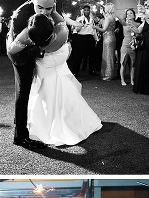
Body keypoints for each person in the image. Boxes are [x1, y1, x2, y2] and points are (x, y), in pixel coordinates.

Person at [12, 14, 101, 147]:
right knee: (64, 101)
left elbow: (13, 50)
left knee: (53, 102)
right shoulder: (59, 31)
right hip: (59, 69)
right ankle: (69, 122)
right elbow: (12, 50)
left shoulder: (51, 35)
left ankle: (57, 124)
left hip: (53, 70)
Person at [6, 0, 69, 150]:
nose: (44, 12)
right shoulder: (21, 16)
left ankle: (21, 119)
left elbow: (59, 24)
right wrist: (38, 51)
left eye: (49, 9)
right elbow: (13, 50)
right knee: (23, 90)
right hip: (20, 54)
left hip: (34, 49)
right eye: (40, 7)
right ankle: (20, 137)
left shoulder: (52, 8)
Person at [118, 9, 142, 86]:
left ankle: (132, 80)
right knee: (123, 63)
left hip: (133, 45)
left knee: (133, 63)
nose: (129, 15)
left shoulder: (138, 24)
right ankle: (122, 80)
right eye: (127, 13)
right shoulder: (124, 23)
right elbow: (118, 17)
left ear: (134, 15)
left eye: (131, 13)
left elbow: (139, 33)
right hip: (125, 44)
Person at [95, 2, 117, 80]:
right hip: (112, 36)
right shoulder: (112, 16)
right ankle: (107, 73)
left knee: (108, 56)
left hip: (108, 37)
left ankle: (108, 75)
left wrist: (95, 27)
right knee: (110, 55)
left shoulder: (108, 18)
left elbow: (104, 29)